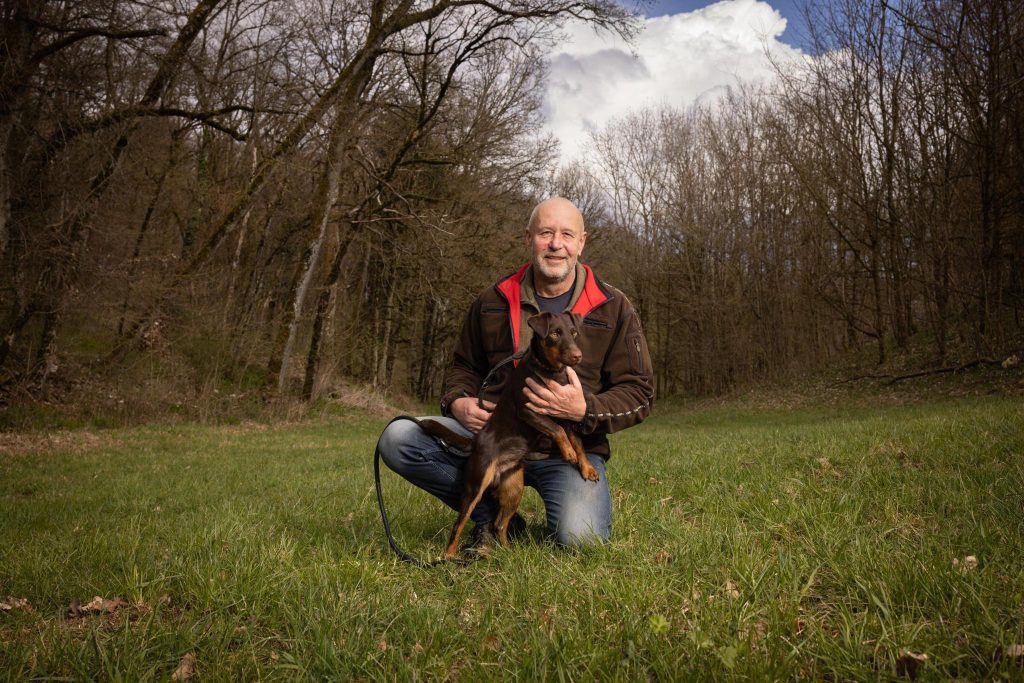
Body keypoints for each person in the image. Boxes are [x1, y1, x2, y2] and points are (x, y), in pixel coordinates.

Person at [378, 197, 653, 552]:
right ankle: (493, 518)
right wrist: (458, 402)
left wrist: (585, 410)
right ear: (528, 238)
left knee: (582, 540)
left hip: (564, 451)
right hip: (495, 437)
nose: (556, 244)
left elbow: (640, 392)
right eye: (545, 233)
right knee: (399, 438)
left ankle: (508, 514)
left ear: (581, 242)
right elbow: (463, 366)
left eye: (567, 234)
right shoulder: (492, 300)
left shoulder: (613, 306)